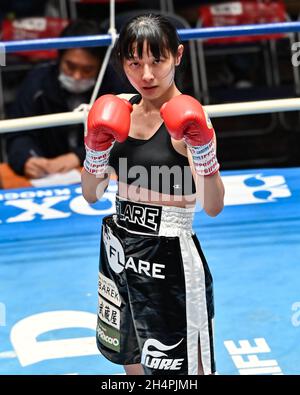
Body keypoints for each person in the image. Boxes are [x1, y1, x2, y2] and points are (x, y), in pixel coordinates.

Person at [81, 14, 225, 375]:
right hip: (119, 247)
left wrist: (205, 154)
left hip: (170, 255)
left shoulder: (189, 120)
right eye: (134, 62)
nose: (146, 75)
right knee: (130, 359)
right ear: (122, 63)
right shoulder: (117, 110)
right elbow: (91, 194)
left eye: (156, 61)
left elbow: (213, 206)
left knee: (184, 372)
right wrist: (96, 150)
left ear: (177, 55)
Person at [6, 19, 115, 179]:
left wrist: (78, 156)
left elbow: (127, 138)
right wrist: (27, 159)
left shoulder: (114, 85)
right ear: (59, 59)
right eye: (70, 66)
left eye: (87, 69)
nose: (77, 76)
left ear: (100, 66)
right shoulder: (37, 83)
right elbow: (17, 133)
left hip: (98, 174)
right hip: (45, 175)